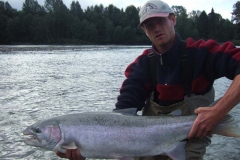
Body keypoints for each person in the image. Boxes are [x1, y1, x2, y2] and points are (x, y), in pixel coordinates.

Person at [56, 0, 240, 159]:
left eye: (160, 20)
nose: (156, 28)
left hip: (193, 137)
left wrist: (218, 111)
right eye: (149, 25)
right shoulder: (141, 66)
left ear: (173, 19)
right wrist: (86, 148)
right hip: (146, 142)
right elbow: (122, 115)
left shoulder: (201, 53)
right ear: (145, 31)